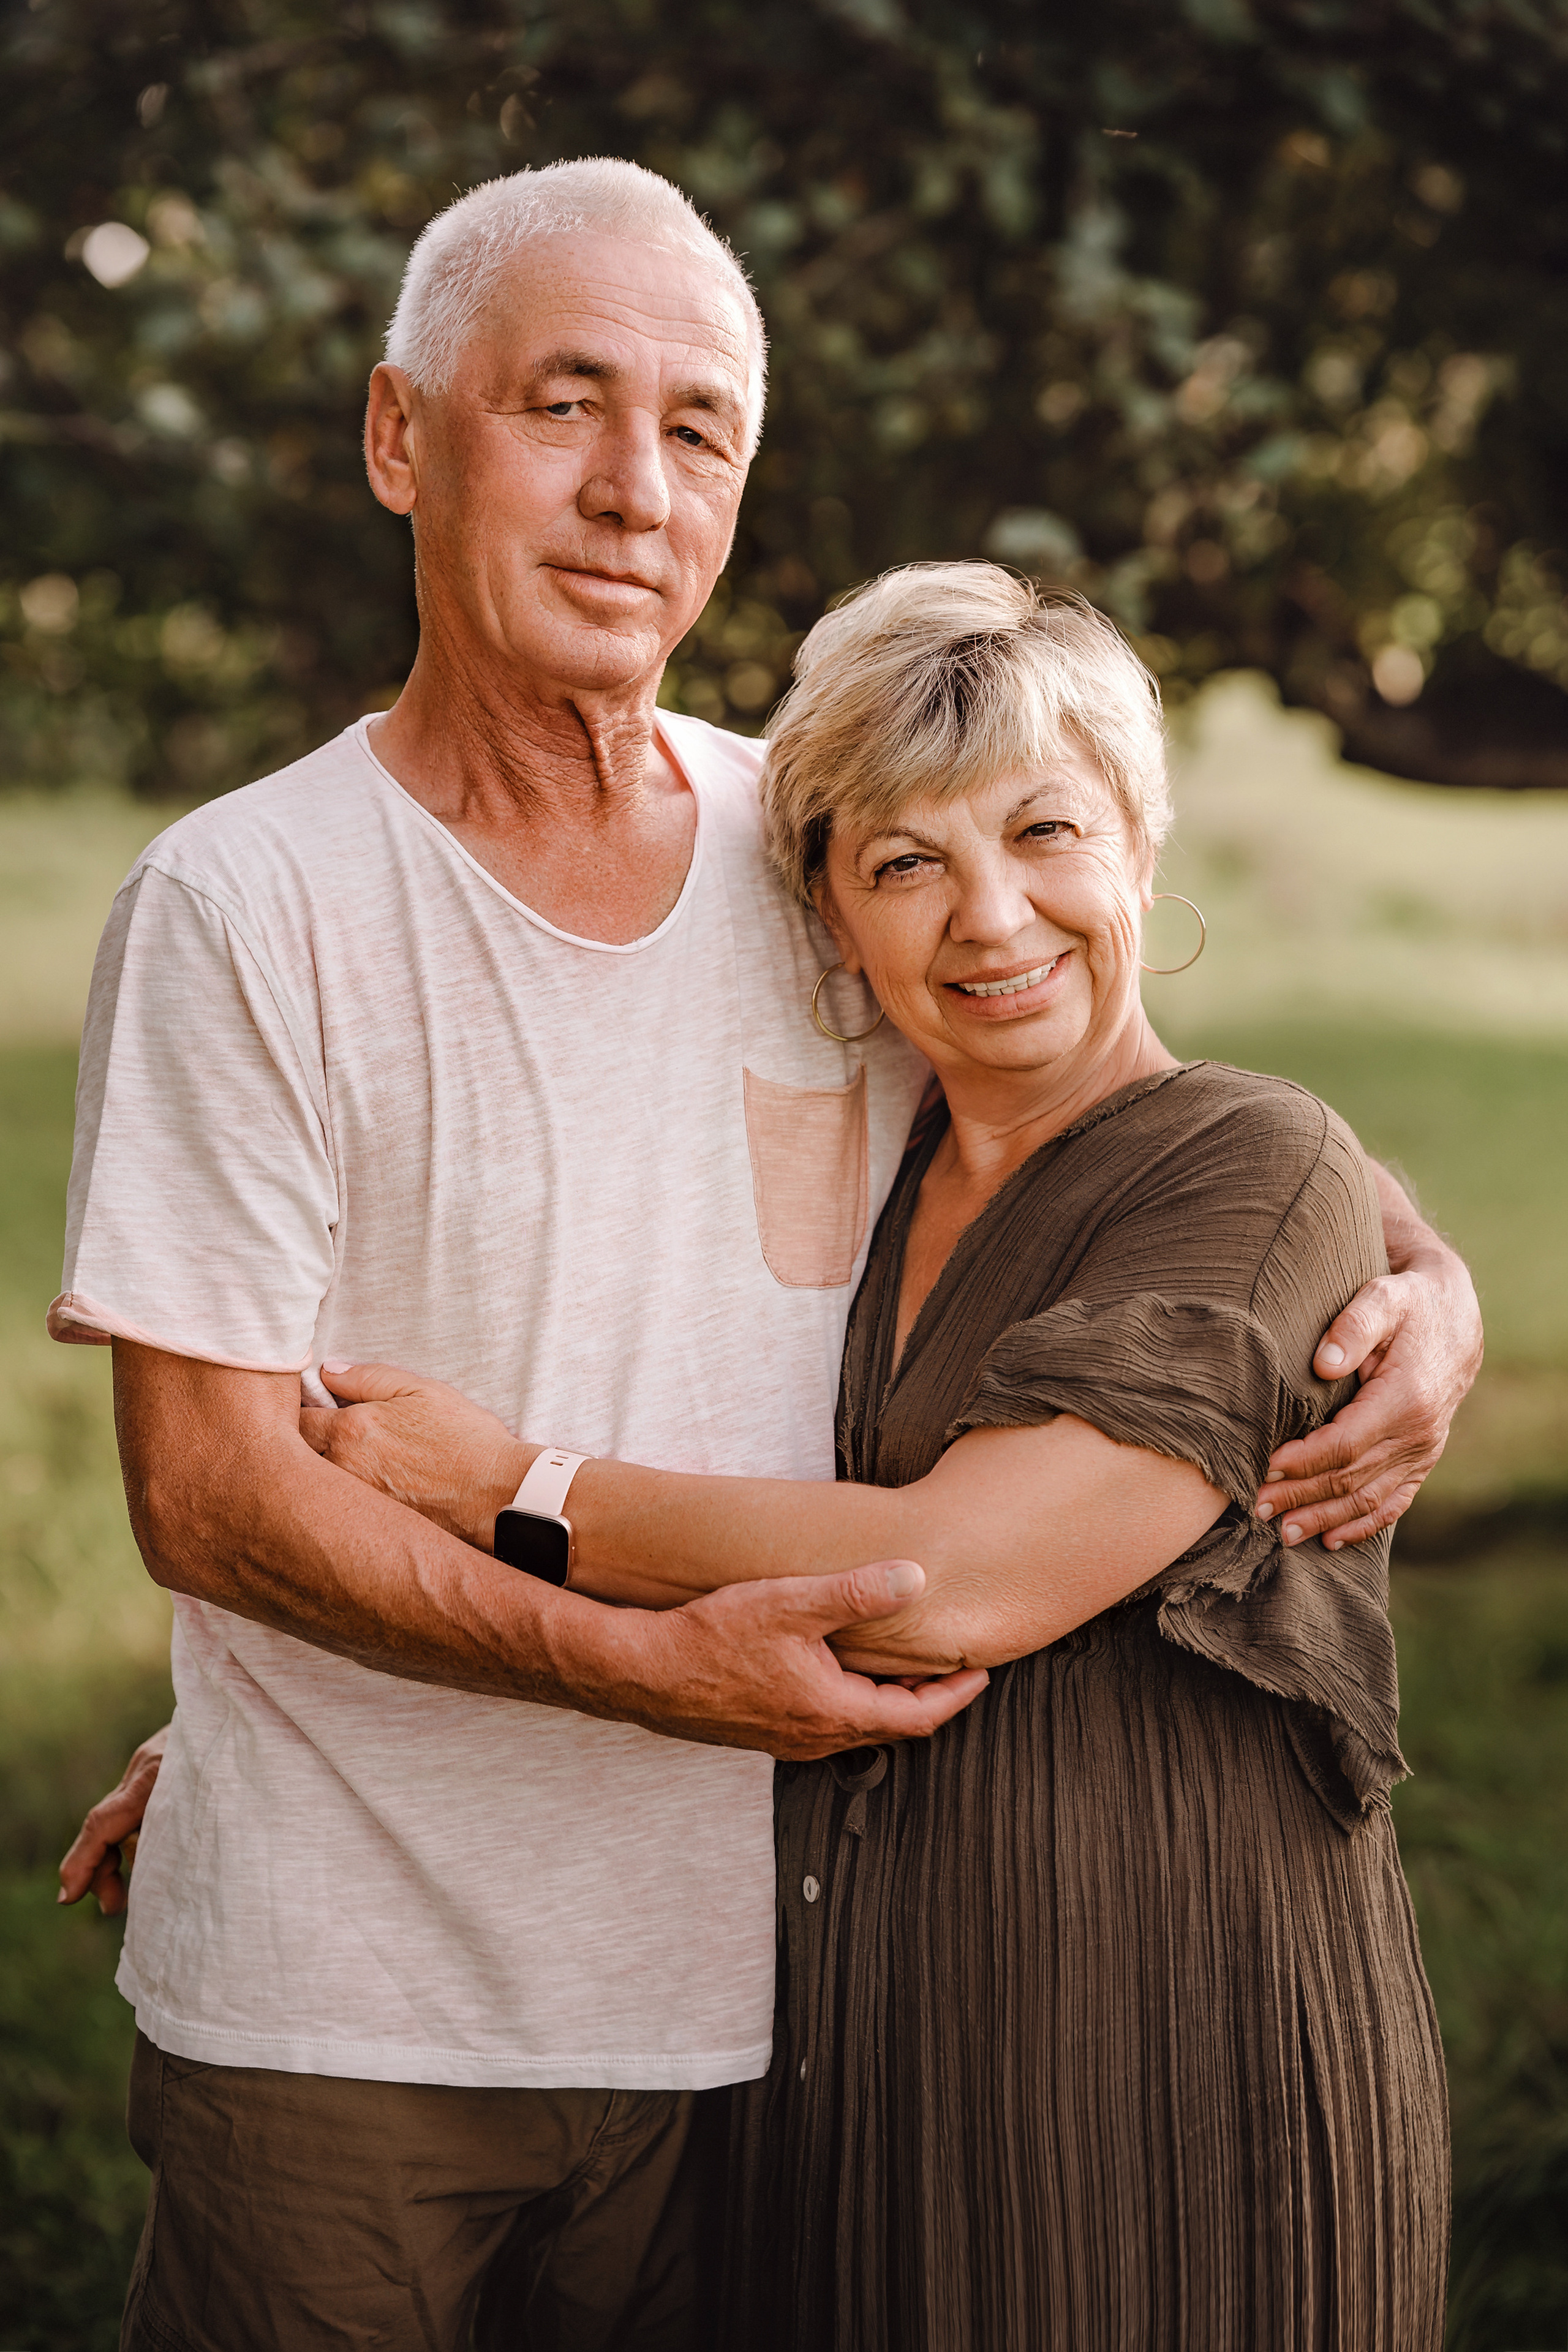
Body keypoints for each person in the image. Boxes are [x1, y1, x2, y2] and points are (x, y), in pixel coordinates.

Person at [51, 160, 1475, 2351]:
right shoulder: (249, 907)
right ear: (399, 435)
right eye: (564, 405)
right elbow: (210, 1496)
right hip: (362, 2002)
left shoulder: (818, 849)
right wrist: (633, 1673)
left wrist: (1428, 1283)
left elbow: (1141, 1112)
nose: (637, 488)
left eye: (698, 427)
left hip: (774, 2012)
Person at [269, 566, 1452, 2350]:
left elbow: (949, 1582)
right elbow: (684, 1418)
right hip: (866, 2076)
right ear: (828, 911)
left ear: (1140, 847)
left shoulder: (1248, 1163)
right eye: (905, 862)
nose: (992, 917)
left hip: (1170, 2066)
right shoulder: (867, 1160)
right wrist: (286, 1712)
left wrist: (512, 1490)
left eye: (1045, 832)